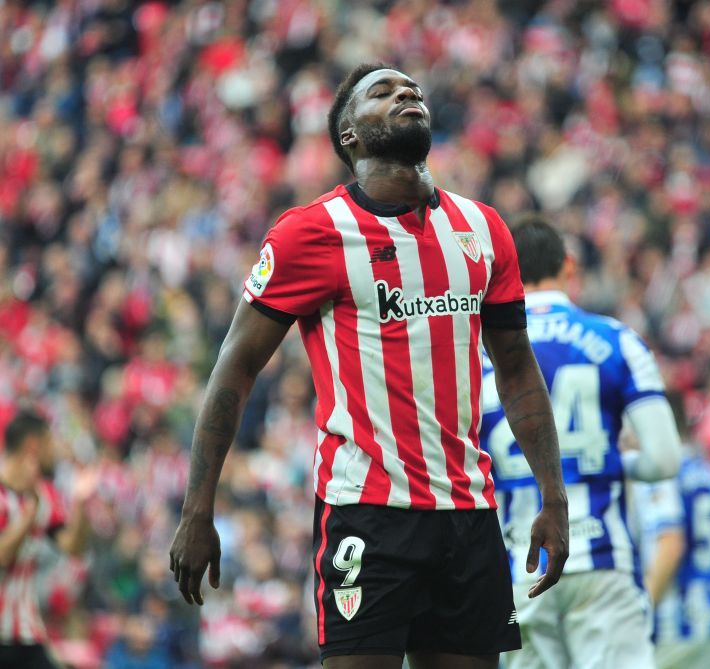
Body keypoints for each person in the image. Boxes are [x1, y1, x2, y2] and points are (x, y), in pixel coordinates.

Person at [169, 63, 569, 669]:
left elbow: (517, 370)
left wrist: (554, 497)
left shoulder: (484, 229)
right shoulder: (312, 232)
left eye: (412, 89)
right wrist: (199, 508)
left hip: (468, 514)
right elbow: (235, 369)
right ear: (349, 136)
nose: (406, 93)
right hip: (366, 514)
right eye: (382, 92)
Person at [480, 215, 681, 669]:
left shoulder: (476, 350)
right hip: (602, 558)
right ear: (569, 266)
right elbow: (665, 459)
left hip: (518, 564)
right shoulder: (617, 339)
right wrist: (605, 462)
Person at [631, 398, 710, 669]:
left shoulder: (660, 472)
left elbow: (670, 544)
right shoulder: (709, 470)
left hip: (675, 630)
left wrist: (638, 613)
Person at [0, 409, 94, 669]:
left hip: (26, 633)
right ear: (33, 444)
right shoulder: (27, 499)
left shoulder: (46, 494)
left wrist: (81, 504)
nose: (54, 450)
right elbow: (2, 556)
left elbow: (72, 548)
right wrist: (29, 514)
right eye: (50, 442)